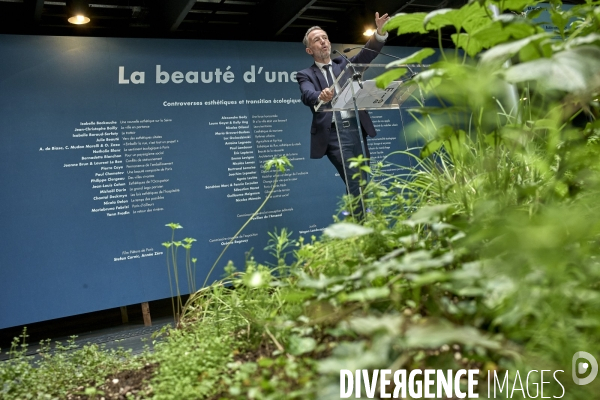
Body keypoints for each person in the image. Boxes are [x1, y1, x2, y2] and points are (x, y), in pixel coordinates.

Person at [296, 13, 390, 217]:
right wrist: (320, 95)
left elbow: (367, 54)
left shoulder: (345, 64)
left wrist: (379, 33)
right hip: (334, 135)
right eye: (317, 40)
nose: (323, 41)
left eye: (325, 37)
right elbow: (307, 94)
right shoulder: (306, 74)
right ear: (309, 50)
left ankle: (360, 224)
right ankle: (362, 223)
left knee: (362, 179)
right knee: (354, 178)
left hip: (357, 129)